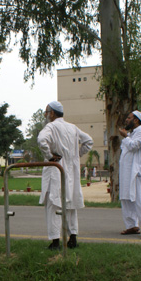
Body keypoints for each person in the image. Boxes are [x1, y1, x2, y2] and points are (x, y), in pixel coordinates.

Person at [37, 101, 93, 250]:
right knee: (70, 206)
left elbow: (41, 140)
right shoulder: (72, 128)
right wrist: (76, 155)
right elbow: (89, 141)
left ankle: (55, 241)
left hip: (56, 169)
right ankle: (72, 238)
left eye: (46, 112)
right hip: (71, 172)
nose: (45, 115)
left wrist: (49, 156)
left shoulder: (51, 127)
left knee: (54, 205)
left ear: (52, 113)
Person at [118, 110, 141, 240]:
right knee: (126, 199)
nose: (126, 120)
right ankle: (132, 225)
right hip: (127, 173)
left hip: (138, 173)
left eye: (129, 118)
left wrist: (125, 137)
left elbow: (134, 146)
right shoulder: (132, 134)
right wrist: (127, 136)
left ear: (136, 120)